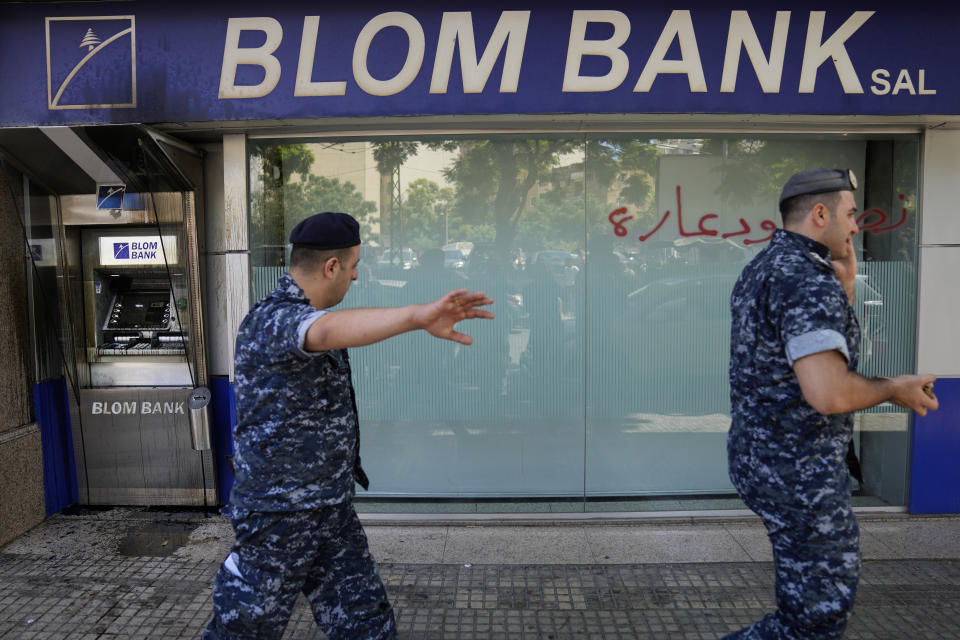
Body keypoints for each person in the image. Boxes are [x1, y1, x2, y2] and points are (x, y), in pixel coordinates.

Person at [203, 212, 494, 640]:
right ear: (332, 266)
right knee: (243, 630)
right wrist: (417, 315)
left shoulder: (306, 315)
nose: (355, 277)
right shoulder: (274, 319)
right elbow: (323, 332)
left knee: (365, 622)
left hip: (330, 508)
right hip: (278, 517)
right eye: (354, 267)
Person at [723, 168, 938, 639]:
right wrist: (893, 388)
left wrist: (845, 286)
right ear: (820, 214)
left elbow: (801, 348)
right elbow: (829, 392)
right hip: (800, 471)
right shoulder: (805, 279)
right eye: (850, 213)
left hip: (766, 459)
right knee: (814, 623)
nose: (857, 226)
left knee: (807, 615)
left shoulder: (766, 266)